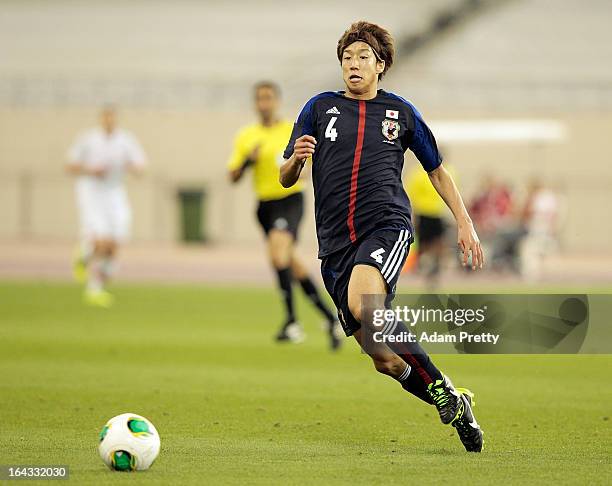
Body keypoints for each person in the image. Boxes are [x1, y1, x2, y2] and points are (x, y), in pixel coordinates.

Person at [280, 21, 485, 451]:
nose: (353, 65)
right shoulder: (318, 108)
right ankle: (448, 396)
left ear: (381, 65)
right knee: (384, 360)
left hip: (386, 225)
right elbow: (285, 176)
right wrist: (296, 161)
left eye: (362, 58)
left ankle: (444, 391)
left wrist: (464, 221)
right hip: (335, 245)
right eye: (347, 58)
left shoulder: (401, 113)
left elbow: (437, 170)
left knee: (364, 305)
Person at [228, 81, 342, 350]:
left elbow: (310, 166)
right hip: (264, 206)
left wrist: (295, 170)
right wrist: (247, 161)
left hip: (289, 199)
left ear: (277, 101)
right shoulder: (247, 136)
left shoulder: (292, 130)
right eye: (260, 99)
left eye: (268, 98)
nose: (264, 103)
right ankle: (330, 319)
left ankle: (292, 322)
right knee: (290, 263)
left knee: (278, 255)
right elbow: (232, 176)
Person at [66, 105, 146, 307]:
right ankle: (93, 282)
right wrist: (90, 170)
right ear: (101, 119)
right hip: (92, 191)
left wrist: (133, 167)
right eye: (106, 118)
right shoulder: (88, 139)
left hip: (115, 193)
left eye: (112, 118)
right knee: (102, 241)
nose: (109, 121)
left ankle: (86, 258)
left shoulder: (125, 140)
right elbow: (70, 165)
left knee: (114, 244)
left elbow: (140, 165)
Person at [405, 155, 455, 287]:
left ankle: (434, 269)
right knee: (424, 245)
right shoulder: (418, 174)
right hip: (424, 213)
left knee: (438, 244)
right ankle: (423, 268)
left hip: (436, 213)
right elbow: (412, 195)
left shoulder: (445, 172)